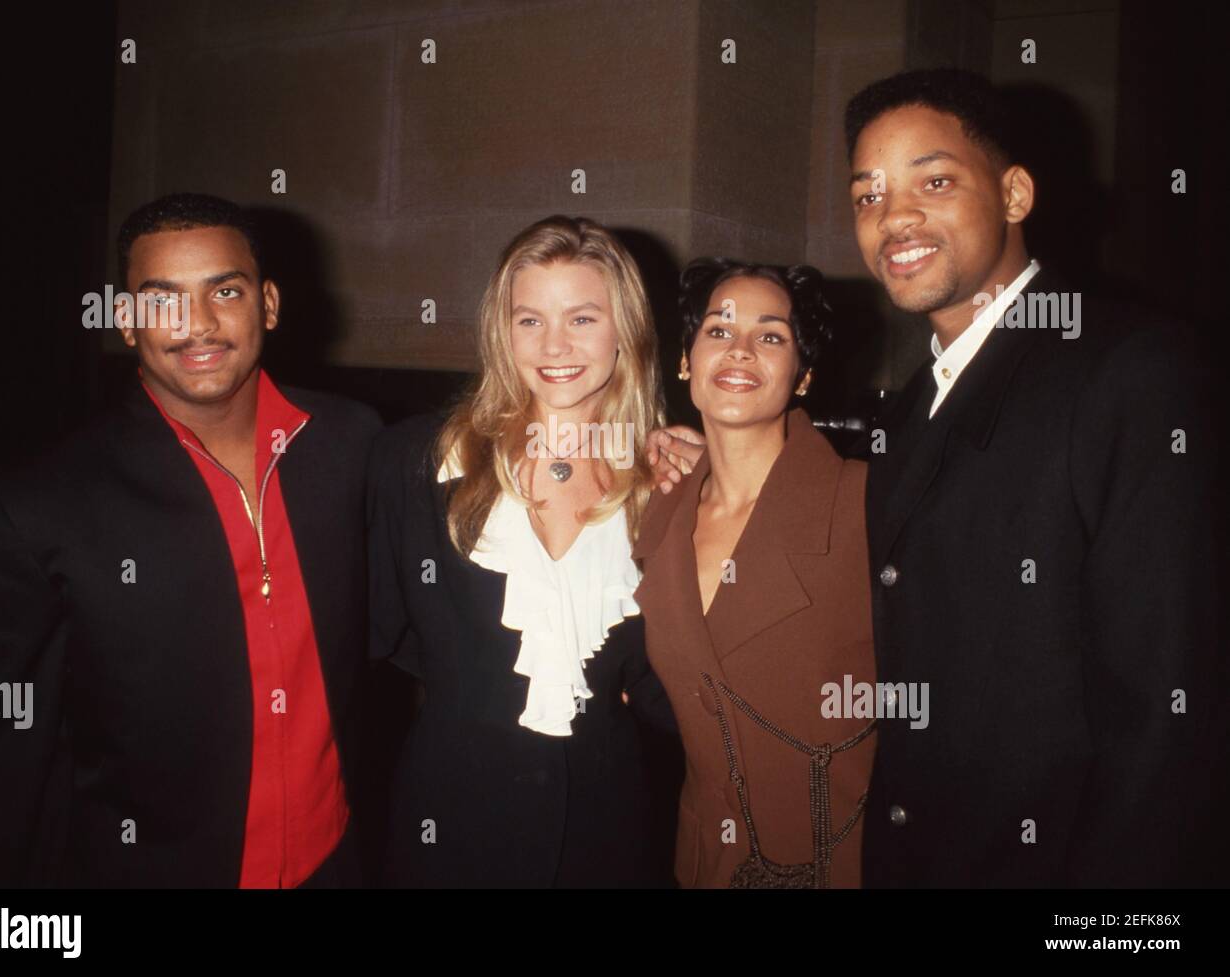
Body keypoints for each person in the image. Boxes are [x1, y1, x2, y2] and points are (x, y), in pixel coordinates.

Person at [650, 68, 1223, 887]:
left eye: (936, 180)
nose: (895, 217)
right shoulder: (915, 404)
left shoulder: (1126, 369)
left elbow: (1171, 717)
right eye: (868, 194)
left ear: (1016, 192)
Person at [0, 193, 380, 887]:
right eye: (161, 300)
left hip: (339, 862)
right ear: (124, 319)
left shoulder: (353, 445)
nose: (197, 325)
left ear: (267, 304)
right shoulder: (31, 504)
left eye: (225, 291)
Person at [366, 215, 679, 887]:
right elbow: (384, 634)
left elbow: (669, 677)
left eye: (583, 318)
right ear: (501, 333)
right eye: (529, 319)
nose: (555, 343)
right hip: (450, 817)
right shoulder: (416, 463)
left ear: (625, 330)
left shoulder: (667, 484)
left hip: (609, 823)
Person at [633, 258, 875, 888]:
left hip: (841, 860)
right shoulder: (659, 508)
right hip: (705, 862)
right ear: (685, 361)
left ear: (803, 376)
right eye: (718, 330)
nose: (739, 350)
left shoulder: (864, 507)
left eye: (771, 336)